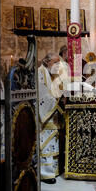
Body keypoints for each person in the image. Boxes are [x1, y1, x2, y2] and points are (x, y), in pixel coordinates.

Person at [38, 52, 62, 184]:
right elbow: (43, 95)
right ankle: (45, 173)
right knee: (46, 143)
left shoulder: (53, 75)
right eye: (55, 63)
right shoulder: (39, 73)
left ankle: (54, 170)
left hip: (54, 115)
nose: (58, 66)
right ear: (47, 62)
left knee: (53, 143)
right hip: (46, 116)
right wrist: (57, 100)